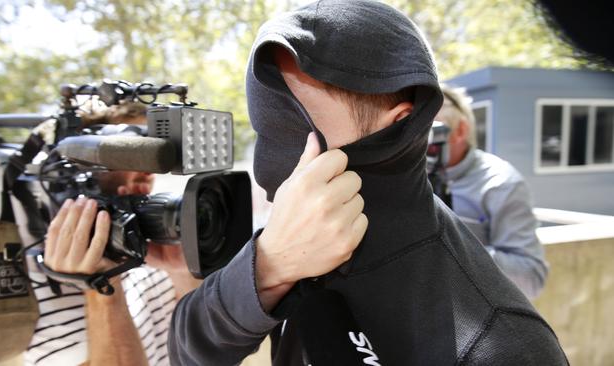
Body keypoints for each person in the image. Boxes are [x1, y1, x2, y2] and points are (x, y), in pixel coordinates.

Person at [166, 1, 568, 365]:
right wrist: (268, 267)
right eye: (265, 129)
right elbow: (188, 351)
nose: (272, 158)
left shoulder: (503, 345)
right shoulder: (296, 234)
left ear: (397, 125)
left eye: (293, 125)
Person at [24, 102, 201, 365]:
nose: (150, 167)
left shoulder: (156, 253)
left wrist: (182, 271)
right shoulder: (44, 288)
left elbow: (205, 354)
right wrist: (102, 288)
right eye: (134, 151)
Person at [435, 85, 548, 299]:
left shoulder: (501, 184)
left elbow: (531, 277)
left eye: (430, 132)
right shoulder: (405, 176)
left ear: (459, 131)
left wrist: (454, 249)